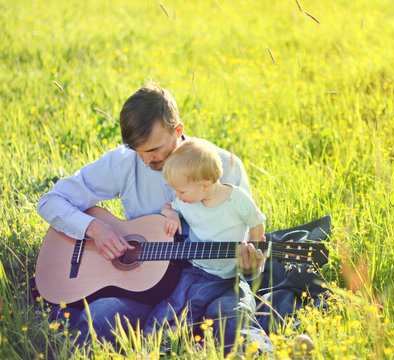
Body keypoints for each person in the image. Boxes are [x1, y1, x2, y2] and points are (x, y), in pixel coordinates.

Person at [36, 85, 270, 352]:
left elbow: (249, 247)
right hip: (144, 288)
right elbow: (51, 201)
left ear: (178, 131)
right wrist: (95, 229)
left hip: (216, 281)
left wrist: (252, 266)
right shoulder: (125, 162)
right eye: (138, 150)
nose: (146, 161)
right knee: (100, 317)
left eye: (155, 150)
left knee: (231, 322)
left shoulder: (224, 167)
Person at [144, 137, 266, 347]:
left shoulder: (237, 200)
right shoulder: (187, 201)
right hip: (196, 272)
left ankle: (262, 352)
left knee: (235, 317)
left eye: (181, 191)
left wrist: (254, 248)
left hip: (231, 279)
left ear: (205, 186)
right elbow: (169, 205)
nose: (177, 196)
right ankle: (158, 344)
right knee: (171, 309)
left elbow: (257, 222)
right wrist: (171, 214)